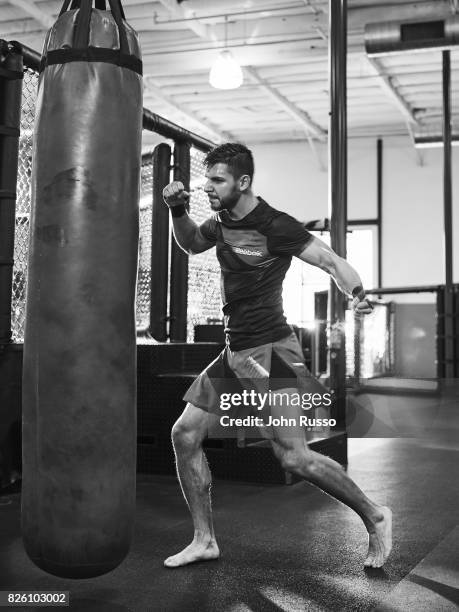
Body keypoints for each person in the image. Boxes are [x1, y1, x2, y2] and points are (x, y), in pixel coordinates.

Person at [162, 143, 392, 570]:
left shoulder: (274, 225)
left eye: (218, 180)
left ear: (243, 182)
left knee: (293, 457)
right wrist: (177, 210)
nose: (208, 188)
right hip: (236, 351)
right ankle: (204, 539)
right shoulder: (221, 222)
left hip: (271, 351)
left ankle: (376, 516)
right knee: (185, 435)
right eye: (206, 180)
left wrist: (356, 294)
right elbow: (192, 244)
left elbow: (330, 261)